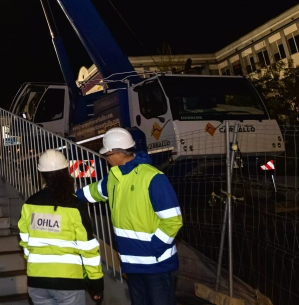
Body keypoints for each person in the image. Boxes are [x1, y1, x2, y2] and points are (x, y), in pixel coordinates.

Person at [76, 128, 182, 305]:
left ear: (119, 154)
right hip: (132, 264)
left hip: (156, 265)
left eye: (108, 155)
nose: (107, 159)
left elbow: (173, 220)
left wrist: (154, 247)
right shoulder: (114, 178)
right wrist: (65, 196)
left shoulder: (153, 177)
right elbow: (92, 192)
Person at [20, 149, 104, 305]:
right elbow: (88, 249)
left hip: (37, 281)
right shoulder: (74, 205)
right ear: (66, 171)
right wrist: (95, 281)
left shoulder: (29, 204)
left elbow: (25, 243)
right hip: (68, 282)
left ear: (42, 174)